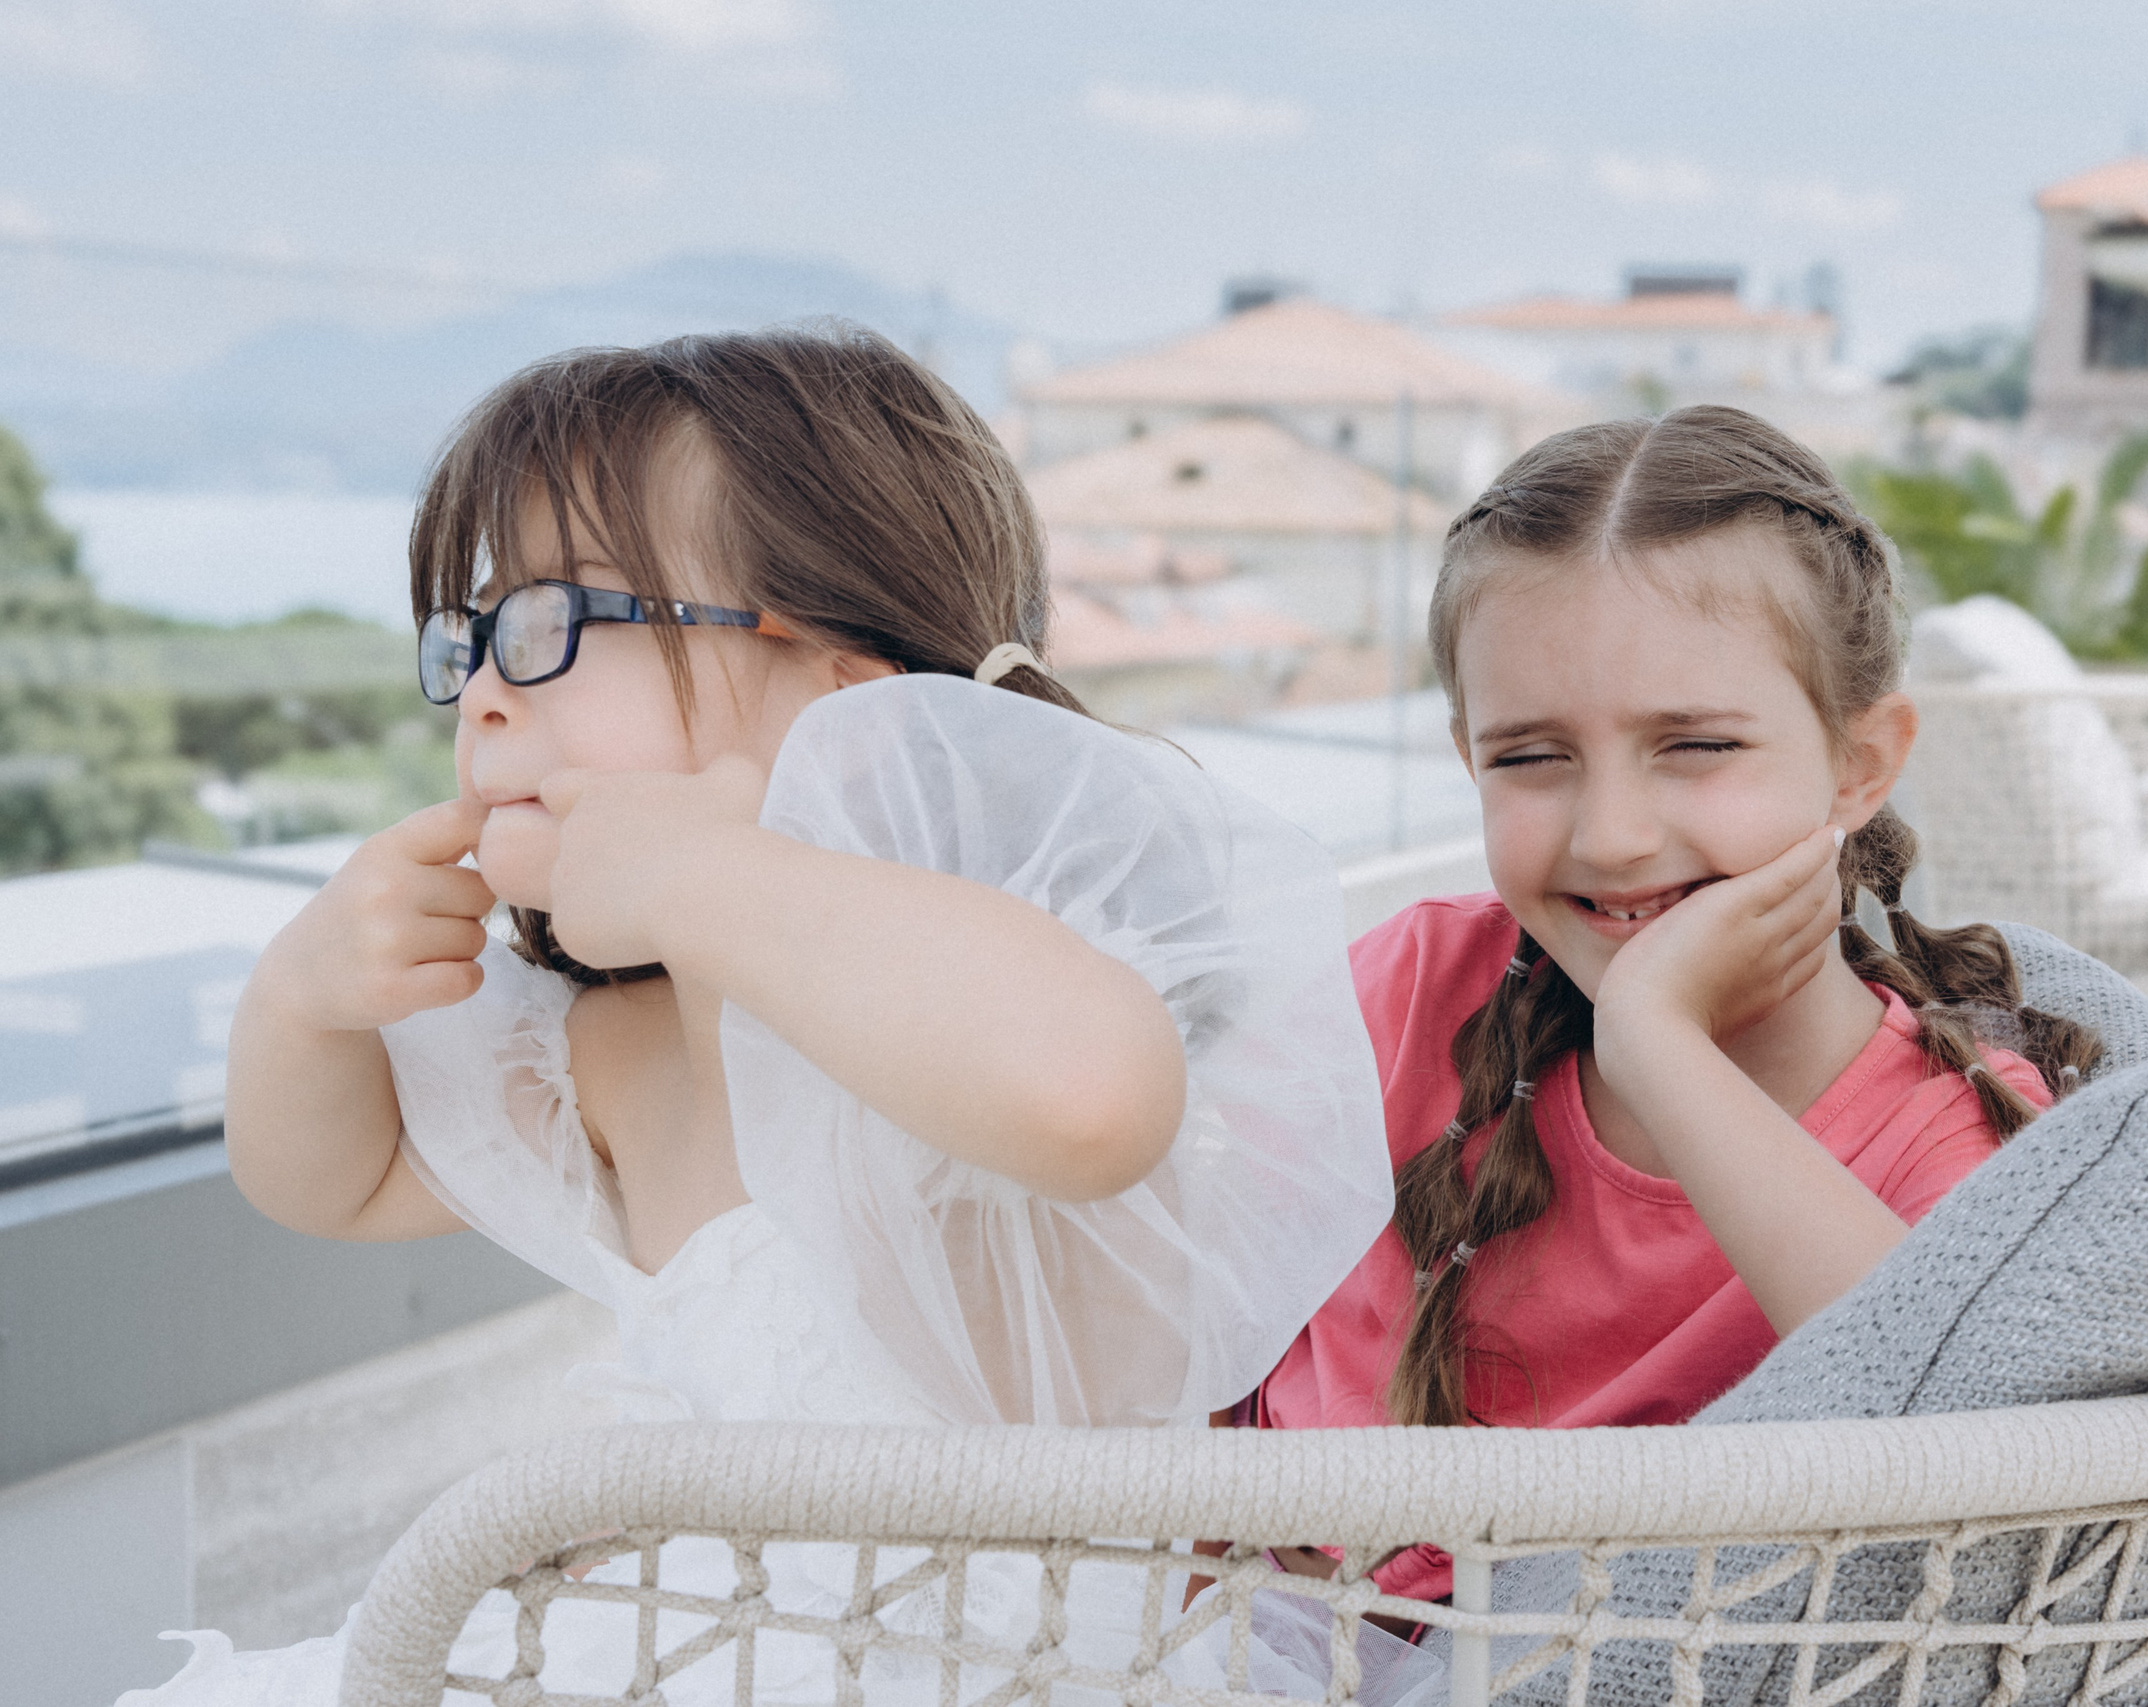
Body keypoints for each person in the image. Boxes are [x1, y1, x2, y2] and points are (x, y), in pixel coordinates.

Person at [120, 327, 1402, 1705]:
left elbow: (1095, 1096)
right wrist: (301, 998)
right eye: (468, 635)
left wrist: (704, 870)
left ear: (848, 697)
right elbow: (337, 1175)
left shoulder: (977, 979)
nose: (482, 693)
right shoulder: (615, 1046)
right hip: (690, 1637)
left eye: (552, 626)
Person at [1239, 406, 2102, 1611]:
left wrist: (1657, 1042)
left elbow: (1961, 1480)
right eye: (1530, 758)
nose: (1613, 836)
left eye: (1695, 746)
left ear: (1860, 764)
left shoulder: (1946, 1135)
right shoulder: (1408, 990)